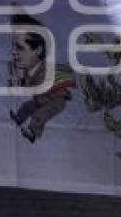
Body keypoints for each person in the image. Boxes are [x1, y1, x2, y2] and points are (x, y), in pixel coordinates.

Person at [7, 12, 74, 143]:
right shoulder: (28, 71)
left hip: (56, 100)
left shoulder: (46, 70)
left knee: (39, 115)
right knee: (27, 106)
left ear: (38, 49)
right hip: (41, 99)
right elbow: (28, 84)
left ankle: (33, 132)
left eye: (20, 47)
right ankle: (19, 119)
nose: (14, 52)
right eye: (14, 47)